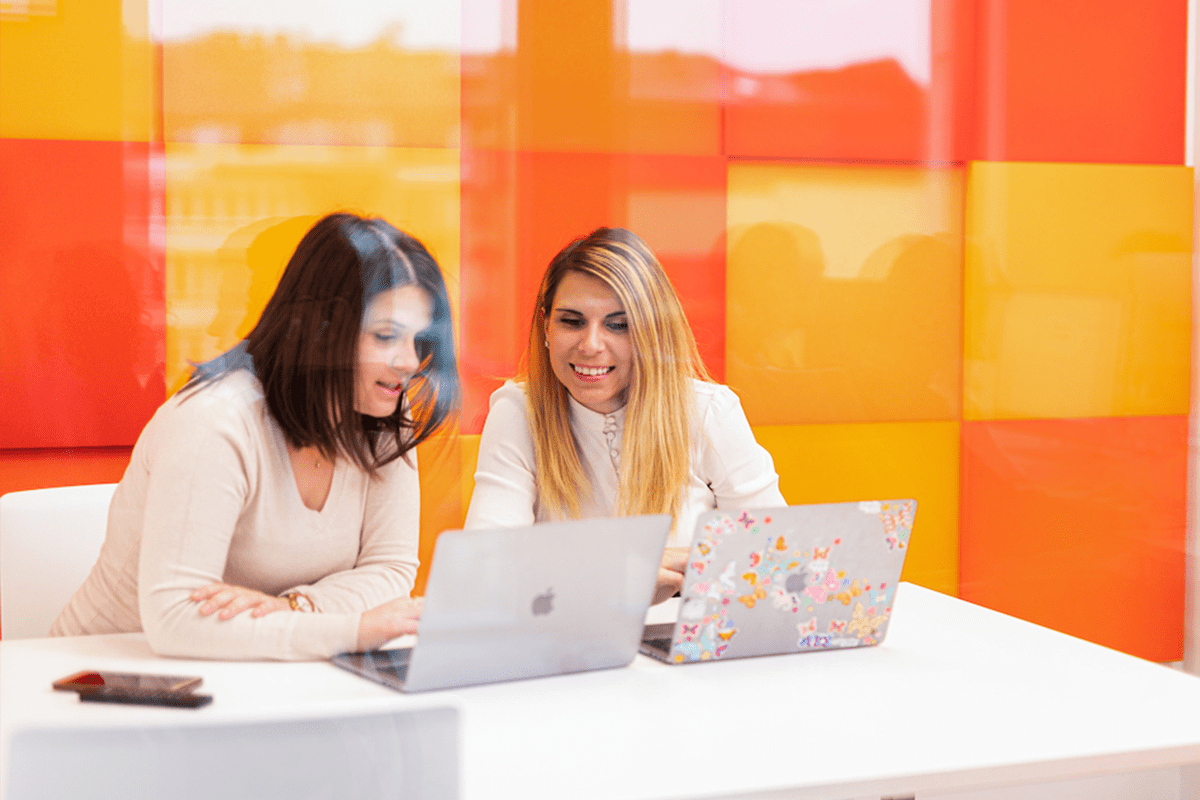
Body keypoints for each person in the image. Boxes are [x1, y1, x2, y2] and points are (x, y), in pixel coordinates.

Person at [51, 213, 460, 660]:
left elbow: (390, 570)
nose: (409, 362)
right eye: (385, 336)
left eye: (420, 342)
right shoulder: (215, 421)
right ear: (320, 328)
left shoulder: (381, 409)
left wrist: (294, 608)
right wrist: (350, 630)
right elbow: (174, 619)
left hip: (256, 677)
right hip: (100, 675)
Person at [464, 227, 785, 602]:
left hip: (686, 645)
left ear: (651, 334)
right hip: (569, 646)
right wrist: (621, 571)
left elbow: (774, 558)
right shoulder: (520, 411)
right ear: (546, 325)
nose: (590, 345)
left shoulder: (709, 411)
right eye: (572, 321)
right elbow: (481, 571)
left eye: (619, 325)